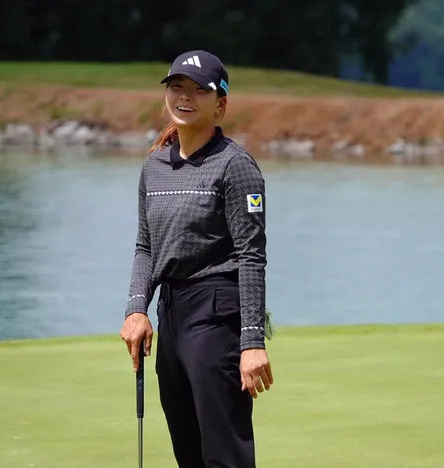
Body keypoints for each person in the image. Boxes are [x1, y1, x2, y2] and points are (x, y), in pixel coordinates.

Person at [119, 50, 274, 468]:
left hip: (216, 315)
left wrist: (252, 342)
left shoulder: (236, 167)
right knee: (188, 454)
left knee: (224, 456)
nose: (185, 97)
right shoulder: (154, 167)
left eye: (198, 90)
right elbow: (146, 247)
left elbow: (251, 257)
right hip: (171, 314)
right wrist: (137, 309)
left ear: (220, 104)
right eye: (177, 87)